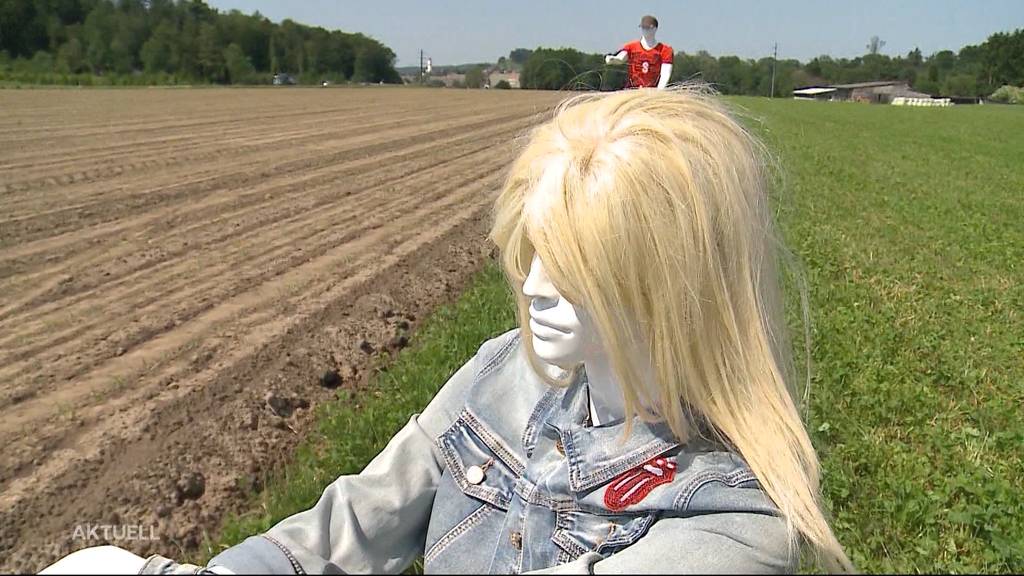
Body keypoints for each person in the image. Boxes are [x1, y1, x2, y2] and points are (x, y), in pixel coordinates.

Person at [41, 85, 854, 574]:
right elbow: (353, 525)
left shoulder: (728, 526)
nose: (535, 287)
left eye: (577, 266)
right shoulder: (510, 369)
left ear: (674, 284)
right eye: (532, 250)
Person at [605, 15, 674, 89]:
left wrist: (659, 91)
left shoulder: (665, 50)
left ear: (655, 29)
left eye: (648, 28)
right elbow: (621, 58)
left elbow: (665, 73)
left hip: (652, 90)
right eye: (643, 28)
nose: (645, 30)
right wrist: (613, 59)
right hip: (633, 89)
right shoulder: (631, 47)